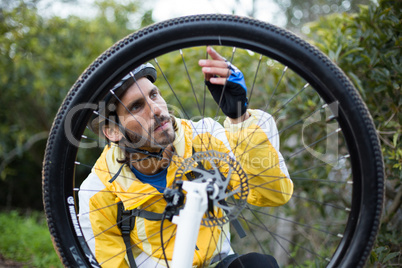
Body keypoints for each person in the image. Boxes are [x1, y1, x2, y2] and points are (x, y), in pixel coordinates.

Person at [78, 46, 293, 268]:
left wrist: (239, 117)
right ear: (113, 131)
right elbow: (105, 263)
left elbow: (273, 194)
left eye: (154, 95)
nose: (156, 110)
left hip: (217, 262)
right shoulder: (97, 191)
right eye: (136, 106)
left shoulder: (203, 138)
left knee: (258, 264)